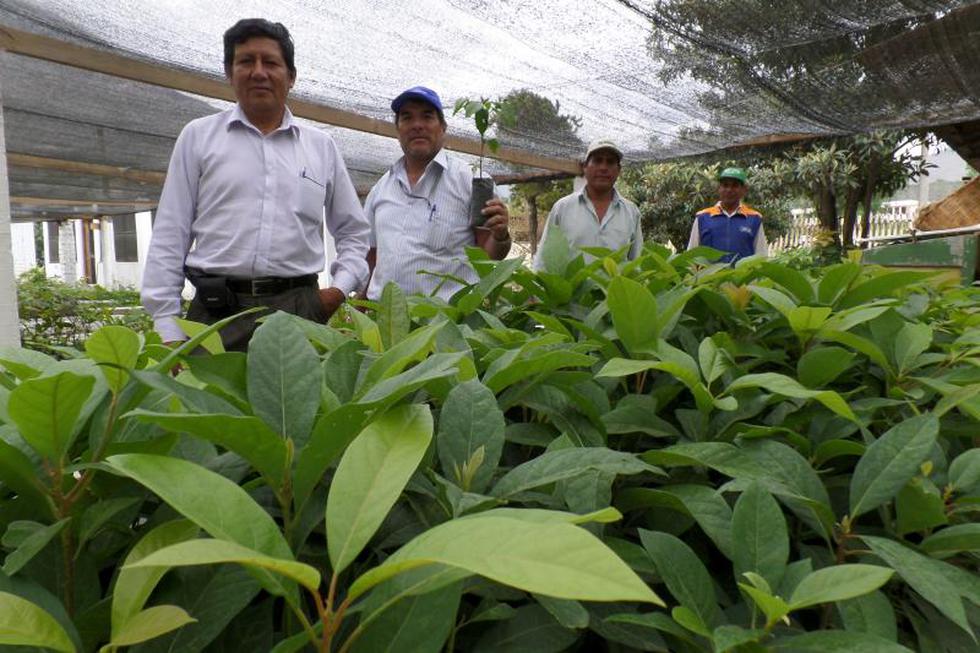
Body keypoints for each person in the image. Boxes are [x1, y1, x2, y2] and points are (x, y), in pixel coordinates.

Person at [141, 19, 370, 351]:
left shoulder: (321, 147)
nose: (258, 72)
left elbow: (354, 231)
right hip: (216, 314)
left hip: (299, 309)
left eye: (271, 62)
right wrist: (167, 325)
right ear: (229, 73)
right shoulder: (198, 137)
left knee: (296, 402)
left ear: (290, 77)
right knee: (210, 401)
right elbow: (170, 233)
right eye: (246, 61)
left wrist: (337, 291)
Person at [363, 86, 511, 300]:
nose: (417, 125)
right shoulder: (380, 189)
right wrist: (361, 303)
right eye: (407, 118)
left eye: (427, 116)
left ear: (443, 127)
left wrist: (501, 235)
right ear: (398, 129)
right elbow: (372, 256)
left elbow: (487, 258)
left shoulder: (470, 180)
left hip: (446, 323)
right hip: (388, 322)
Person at [532, 139, 643, 269]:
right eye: (597, 160)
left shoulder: (631, 212)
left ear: (618, 170)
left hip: (615, 289)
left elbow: (636, 263)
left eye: (610, 162)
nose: (603, 167)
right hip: (571, 289)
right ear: (585, 167)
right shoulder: (562, 208)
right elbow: (544, 260)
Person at [687, 167, 767, 262]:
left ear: (743, 190)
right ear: (719, 189)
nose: (729, 190)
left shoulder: (754, 218)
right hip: (710, 276)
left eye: (735, 186)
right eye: (725, 185)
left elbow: (761, 255)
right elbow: (692, 253)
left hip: (742, 276)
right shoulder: (703, 217)